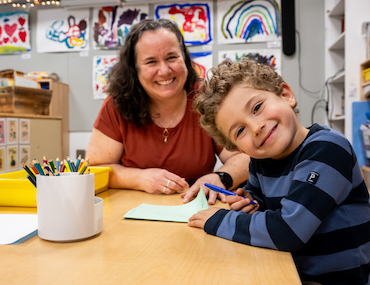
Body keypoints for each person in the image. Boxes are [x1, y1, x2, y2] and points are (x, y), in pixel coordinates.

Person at [188, 57, 370, 285]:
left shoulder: (328, 149)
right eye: (240, 130)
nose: (256, 127)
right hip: (289, 272)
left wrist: (219, 220)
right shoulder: (260, 162)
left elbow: (288, 230)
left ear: (286, 95)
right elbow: (261, 203)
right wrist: (250, 202)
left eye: (257, 107)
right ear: (236, 148)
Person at [86, 19, 250, 204]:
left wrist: (221, 177)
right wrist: (139, 179)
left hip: (195, 208)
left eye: (172, 57)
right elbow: (95, 169)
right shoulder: (116, 105)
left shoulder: (207, 98)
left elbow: (244, 157)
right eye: (151, 61)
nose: (164, 70)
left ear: (185, 59)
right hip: (130, 211)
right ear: (135, 69)